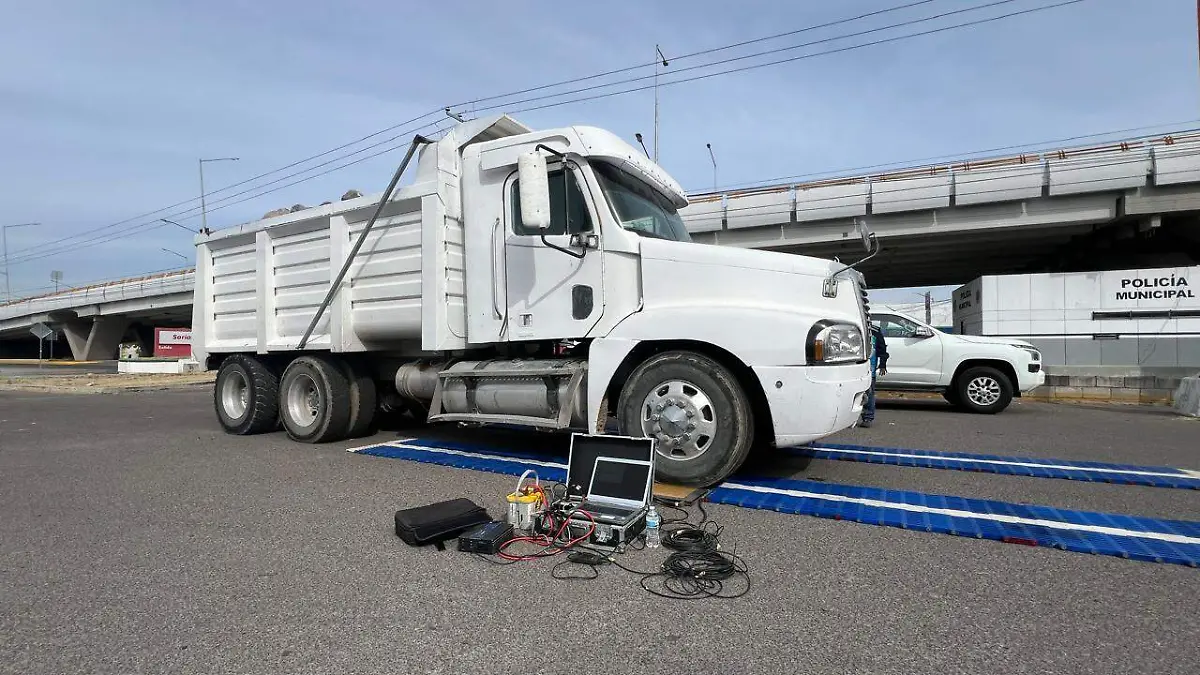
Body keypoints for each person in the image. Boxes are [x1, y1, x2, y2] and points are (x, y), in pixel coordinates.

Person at [860, 323, 888, 428]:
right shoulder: (854, 328)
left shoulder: (875, 331)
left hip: (869, 369)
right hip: (854, 367)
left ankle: (868, 417)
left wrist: (882, 365)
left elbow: (882, 350)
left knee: (869, 393)